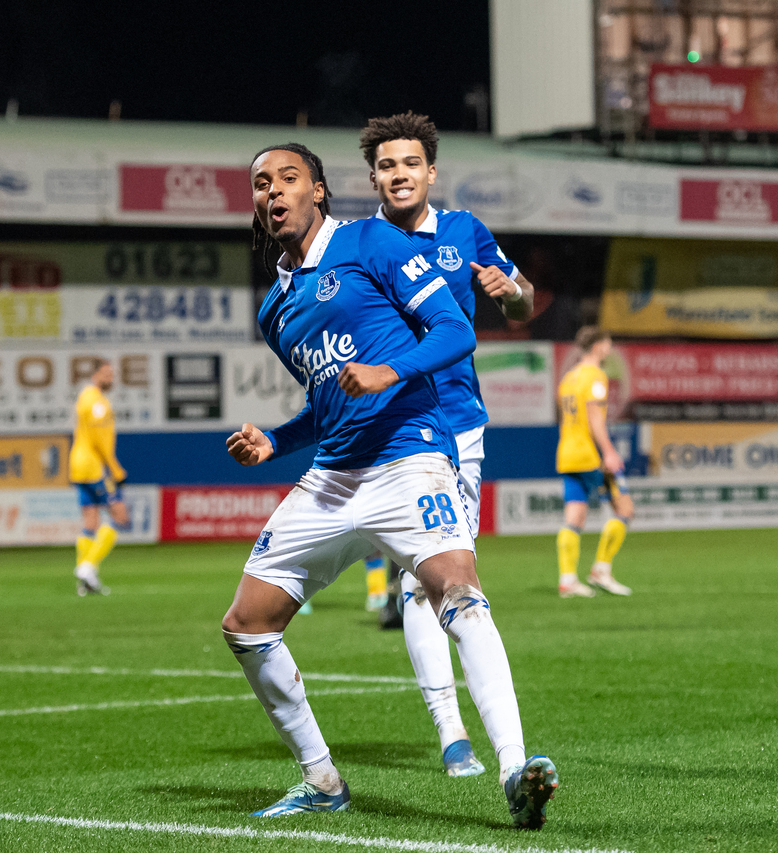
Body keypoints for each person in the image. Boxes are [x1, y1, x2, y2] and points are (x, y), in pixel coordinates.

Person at [222, 142, 558, 827]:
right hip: (333, 477)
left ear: (318, 190)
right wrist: (277, 441)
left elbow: (454, 330)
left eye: (289, 178)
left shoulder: (371, 240)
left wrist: (391, 370)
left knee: (457, 591)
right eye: (262, 184)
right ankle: (321, 778)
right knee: (247, 624)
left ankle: (515, 767)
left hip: (410, 457)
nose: (274, 191)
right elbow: (329, 400)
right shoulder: (275, 311)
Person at [357, 110, 537, 776]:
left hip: (461, 423)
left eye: (410, 163)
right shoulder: (357, 245)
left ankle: (467, 738)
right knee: (421, 577)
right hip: (397, 431)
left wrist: (510, 292)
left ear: (431, 172)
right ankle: (452, 730)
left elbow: (523, 303)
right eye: (386, 165)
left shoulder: (465, 232)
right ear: (373, 177)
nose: (399, 174)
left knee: (447, 580)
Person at [555, 326, 634, 598]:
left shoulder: (569, 377)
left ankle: (567, 580)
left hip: (567, 453)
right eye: (608, 342)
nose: (609, 348)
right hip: (589, 454)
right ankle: (601, 569)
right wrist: (609, 452)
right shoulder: (596, 377)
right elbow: (595, 420)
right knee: (624, 510)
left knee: (574, 517)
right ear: (599, 345)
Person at [69, 360, 130, 596]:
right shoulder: (97, 402)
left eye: (111, 374)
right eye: (106, 374)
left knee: (90, 521)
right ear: (95, 375)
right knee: (118, 515)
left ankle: (86, 582)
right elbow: (99, 440)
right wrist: (115, 469)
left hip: (77, 464)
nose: (110, 379)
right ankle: (86, 567)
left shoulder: (84, 396)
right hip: (93, 467)